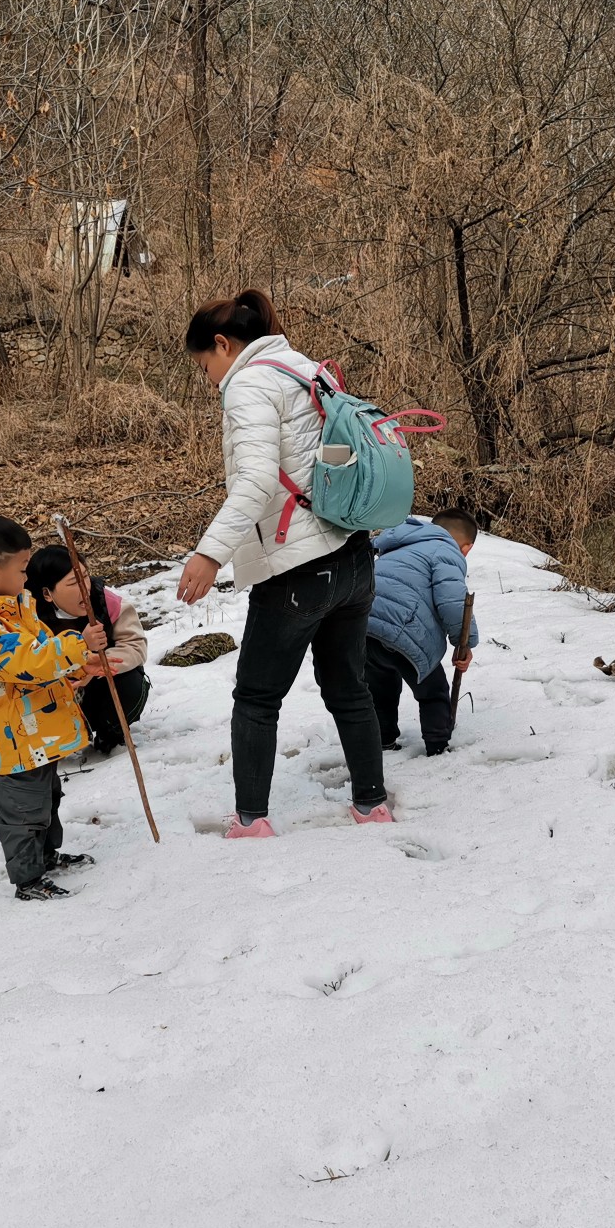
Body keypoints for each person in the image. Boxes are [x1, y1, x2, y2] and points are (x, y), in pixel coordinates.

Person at [174, 288, 388, 838]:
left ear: (223, 344)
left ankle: (251, 819)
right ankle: (371, 804)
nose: (208, 378)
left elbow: (255, 481)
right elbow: (335, 459)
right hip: (353, 554)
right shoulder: (309, 370)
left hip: (298, 567)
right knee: (349, 687)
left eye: (204, 364)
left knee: (256, 696)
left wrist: (209, 554)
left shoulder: (248, 384)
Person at [0, 514, 108, 901]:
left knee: (46, 800)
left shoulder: (16, 610)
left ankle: (46, 857)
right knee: (22, 812)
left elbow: (43, 653)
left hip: (35, 736)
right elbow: (28, 663)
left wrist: (80, 665)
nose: (27, 576)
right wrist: (79, 644)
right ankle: (27, 879)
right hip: (12, 741)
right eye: (23, 568)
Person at [366, 511, 481, 756]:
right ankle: (437, 745)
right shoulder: (446, 551)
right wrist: (465, 644)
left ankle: (383, 739)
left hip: (363, 625)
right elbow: (453, 603)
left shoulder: (399, 543)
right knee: (433, 691)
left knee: (380, 686)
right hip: (404, 628)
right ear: (467, 548)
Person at [26, 545, 150, 754]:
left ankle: (110, 732)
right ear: (47, 593)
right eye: (73, 582)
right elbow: (25, 663)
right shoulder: (30, 619)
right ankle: (57, 744)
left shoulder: (104, 602)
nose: (85, 587)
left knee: (131, 681)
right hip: (56, 696)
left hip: (99, 687)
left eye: (85, 576)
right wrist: (78, 655)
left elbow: (134, 645)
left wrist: (98, 666)